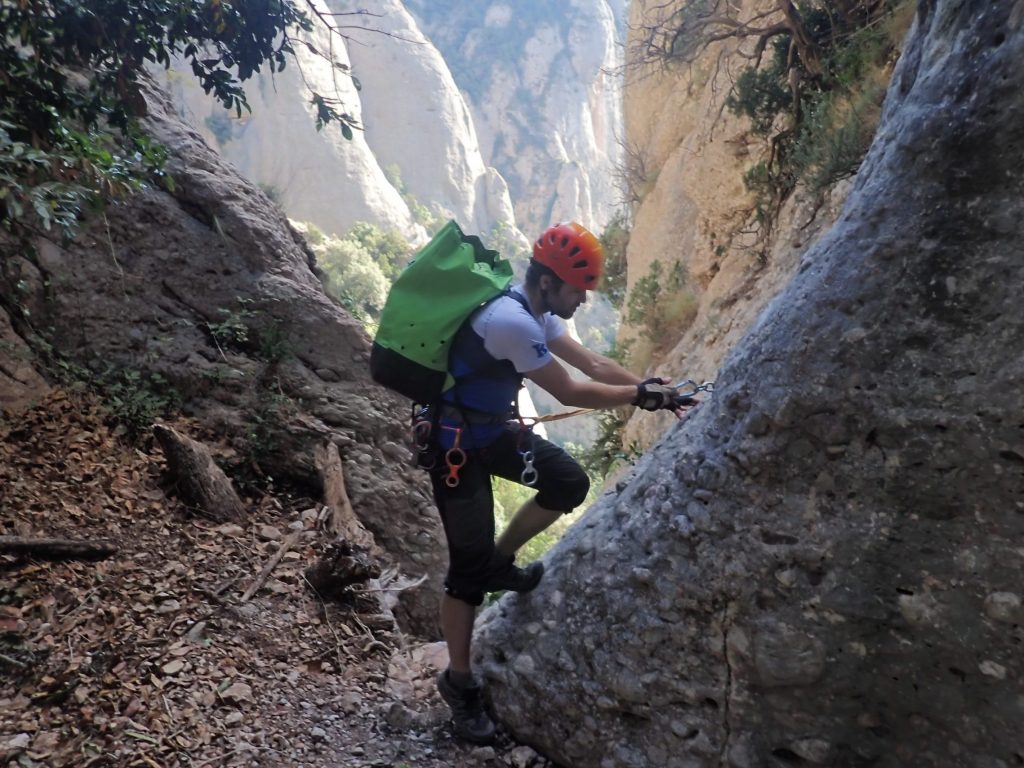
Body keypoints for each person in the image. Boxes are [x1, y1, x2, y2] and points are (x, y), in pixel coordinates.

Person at [426, 221, 694, 743]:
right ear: (548, 281)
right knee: (464, 575)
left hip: (489, 433)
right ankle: (460, 685)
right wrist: (639, 399)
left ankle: (500, 563)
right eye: (578, 290)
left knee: (568, 481)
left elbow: (591, 361)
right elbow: (572, 390)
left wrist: (647, 385)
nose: (582, 300)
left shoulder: (536, 312)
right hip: (455, 448)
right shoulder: (510, 321)